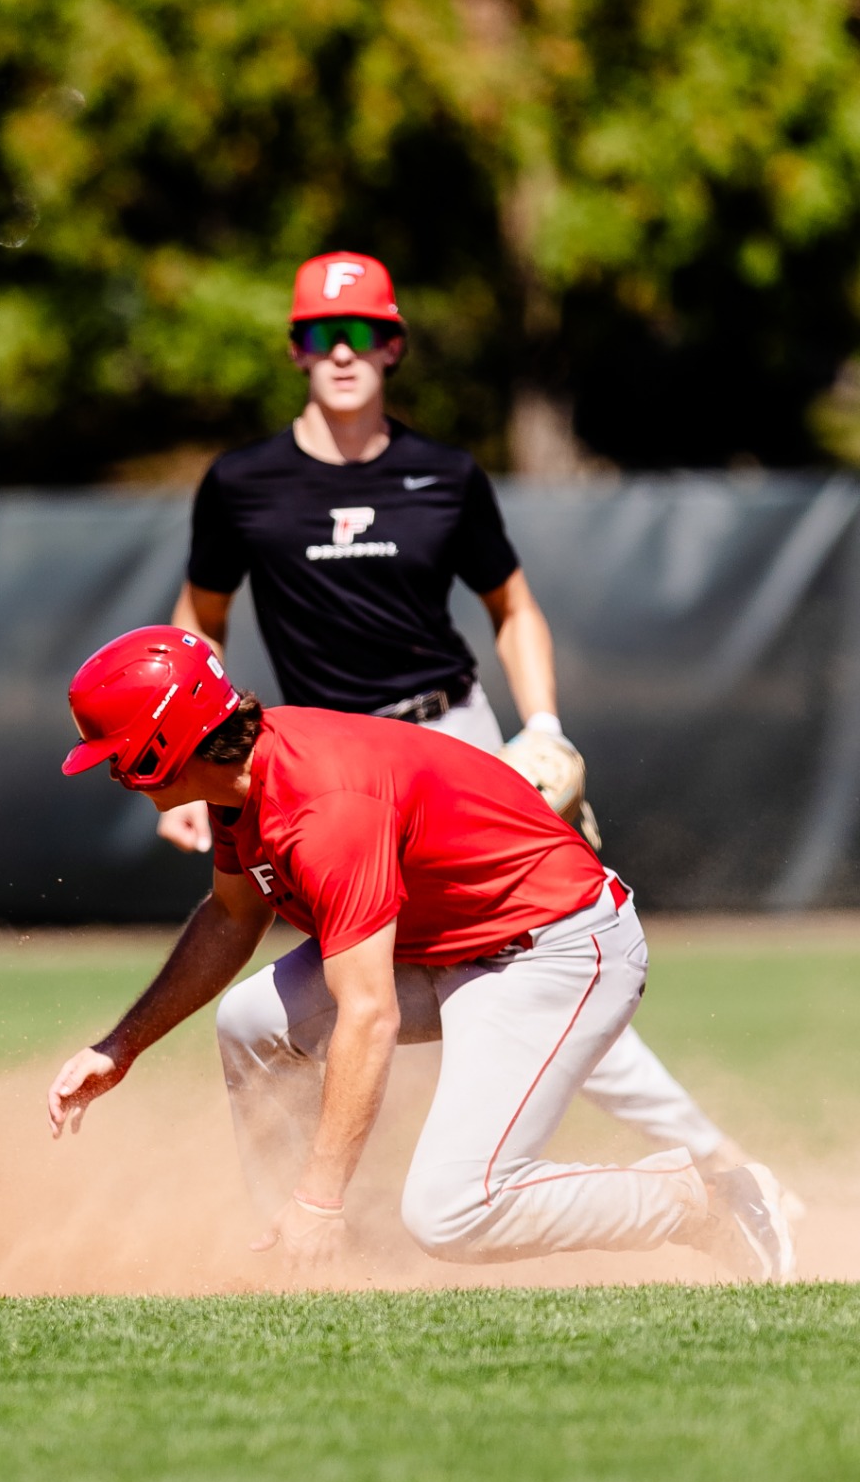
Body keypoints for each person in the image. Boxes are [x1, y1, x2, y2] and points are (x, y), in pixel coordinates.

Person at [153, 250, 784, 1197]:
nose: (343, 350)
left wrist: (543, 723)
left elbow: (513, 609)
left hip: (452, 741)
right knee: (360, 996)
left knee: (526, 963)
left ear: (393, 346)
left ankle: (716, 1167)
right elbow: (197, 620)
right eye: (323, 333)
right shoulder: (243, 483)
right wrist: (192, 769)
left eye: (363, 331)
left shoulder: (440, 474)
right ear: (296, 350)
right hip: (324, 765)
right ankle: (309, 1215)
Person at [47, 627, 795, 1281]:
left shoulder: (321, 809)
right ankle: (317, 1264)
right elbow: (231, 917)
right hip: (446, 943)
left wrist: (320, 1193)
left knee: (453, 1213)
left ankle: (706, 1201)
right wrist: (122, 1046)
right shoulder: (239, 781)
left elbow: (366, 1017)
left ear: (160, 749)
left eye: (115, 754)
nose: (111, 771)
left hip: (551, 948)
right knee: (250, 1022)